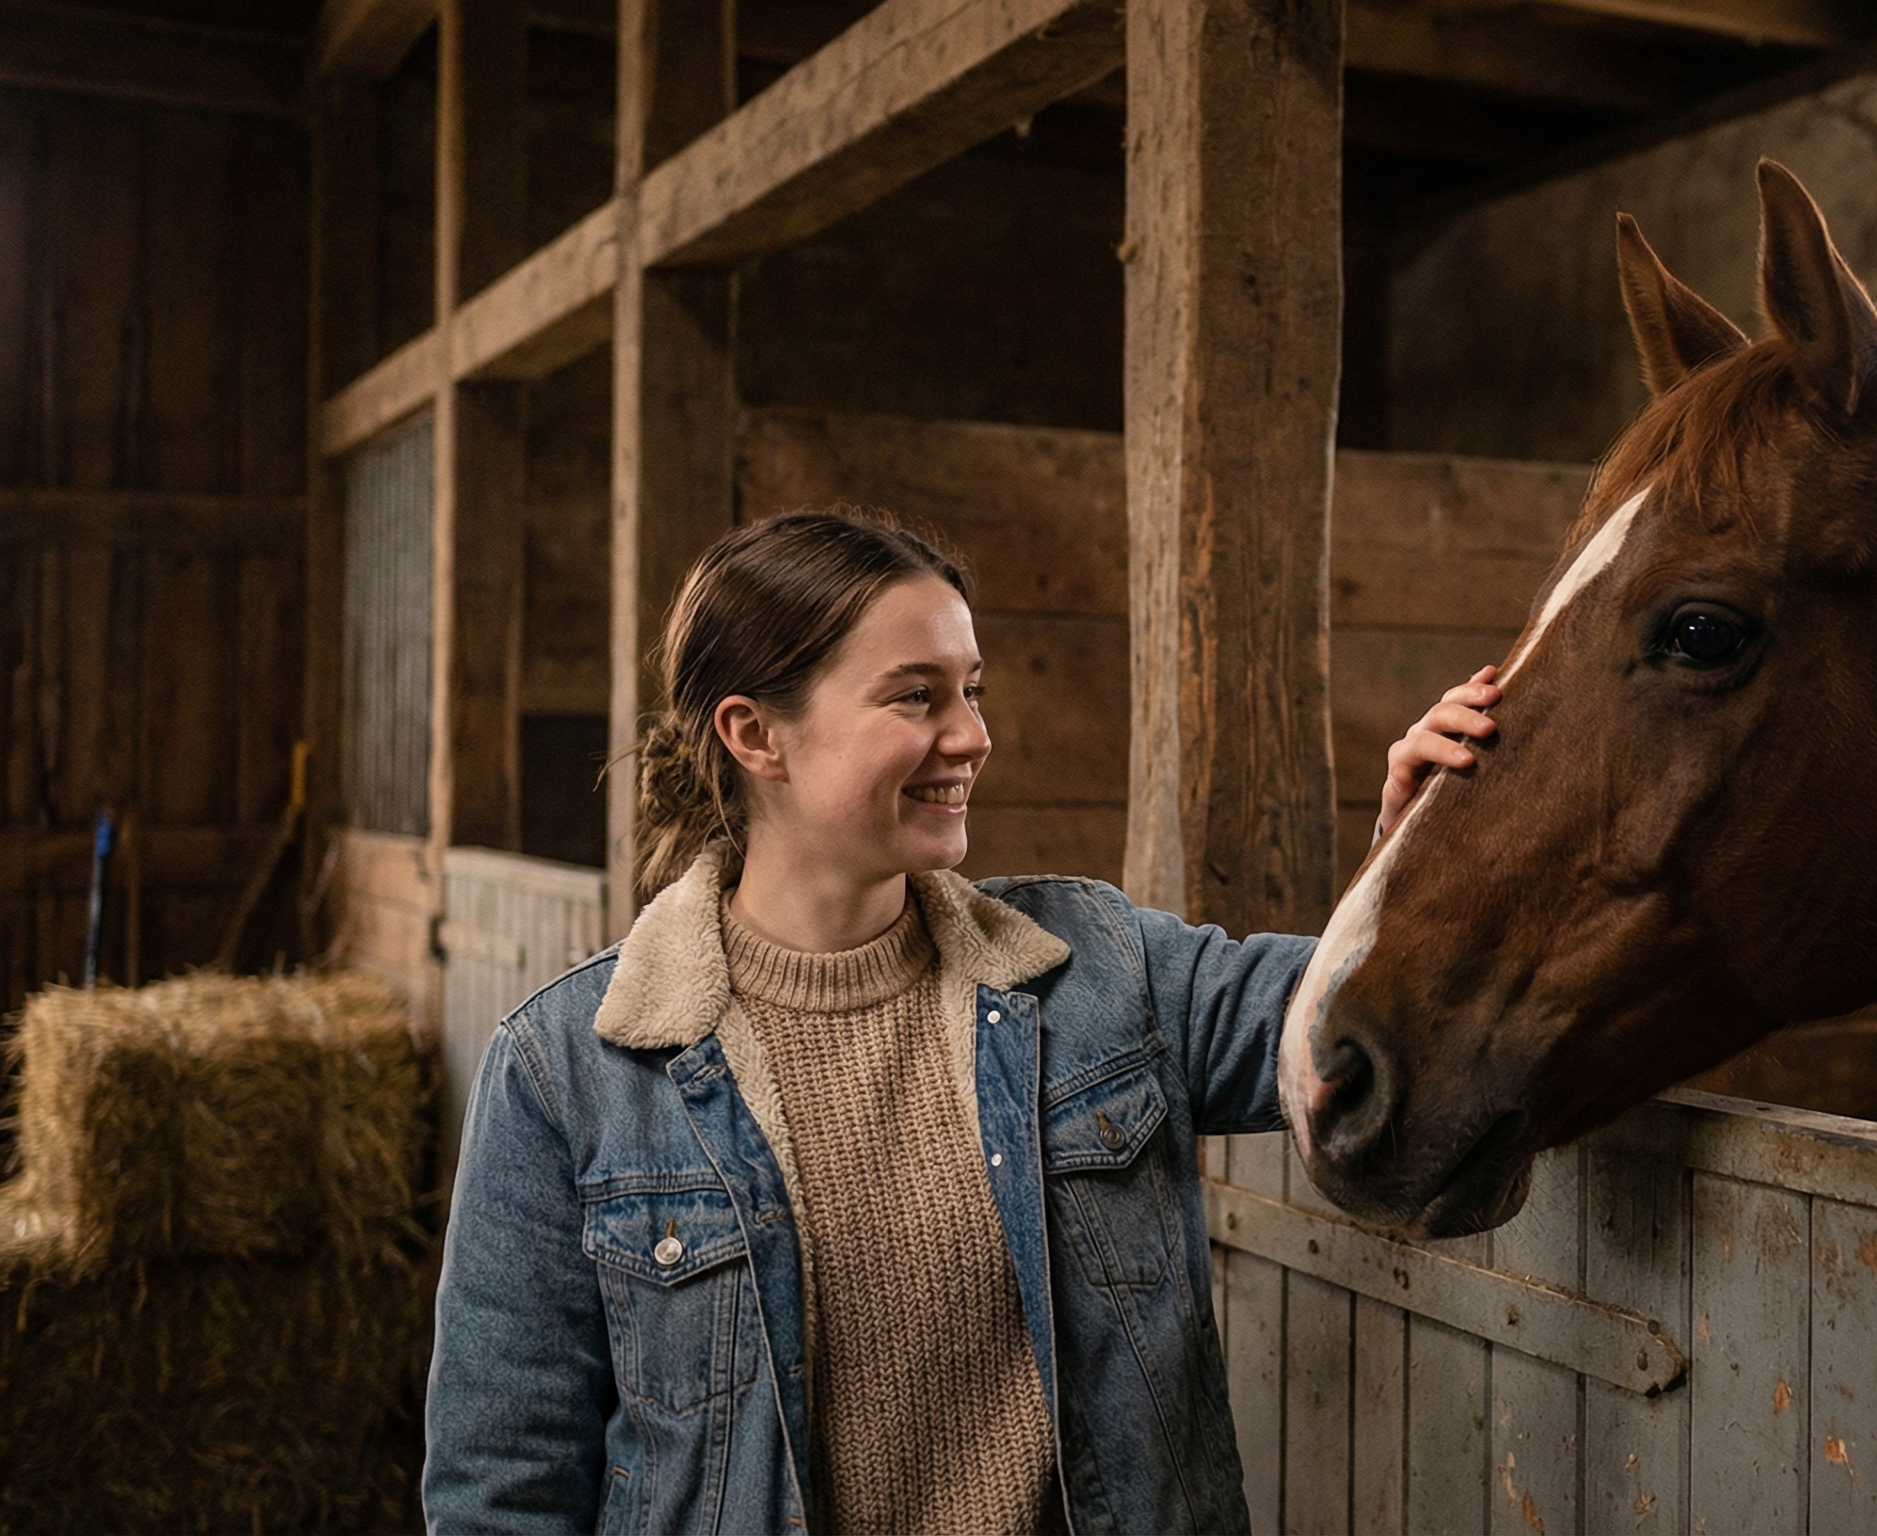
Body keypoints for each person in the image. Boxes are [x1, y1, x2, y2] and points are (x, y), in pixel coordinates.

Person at [421, 508, 1502, 1535]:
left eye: (973, 691)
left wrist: (1420, 852)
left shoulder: (1103, 970)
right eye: (915, 697)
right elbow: (502, 1486)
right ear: (756, 735)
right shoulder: (568, 1071)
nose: (972, 735)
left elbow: (1378, 1022)